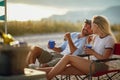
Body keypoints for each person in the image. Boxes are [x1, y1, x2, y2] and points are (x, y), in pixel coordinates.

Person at [39, 15, 116, 80]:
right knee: (63, 69)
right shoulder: (96, 37)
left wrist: (93, 52)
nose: (91, 29)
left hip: (100, 66)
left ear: (97, 26)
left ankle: (46, 77)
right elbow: (87, 36)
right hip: (90, 64)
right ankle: (34, 71)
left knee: (68, 57)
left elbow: (105, 59)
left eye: (91, 26)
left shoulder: (109, 39)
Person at [26, 19, 93, 67]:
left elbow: (75, 53)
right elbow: (61, 49)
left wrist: (69, 39)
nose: (86, 28)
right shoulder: (73, 34)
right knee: (35, 49)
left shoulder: (87, 40)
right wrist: (53, 47)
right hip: (55, 55)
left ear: (92, 31)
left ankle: (36, 73)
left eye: (89, 27)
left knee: (45, 66)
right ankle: (30, 71)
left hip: (65, 60)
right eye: (85, 25)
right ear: (82, 25)